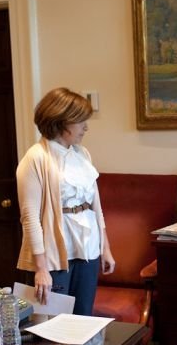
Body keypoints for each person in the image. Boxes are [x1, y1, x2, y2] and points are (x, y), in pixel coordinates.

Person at [16, 87, 116, 315]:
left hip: (88, 246)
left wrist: (105, 247)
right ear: (62, 121)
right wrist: (40, 268)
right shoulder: (36, 158)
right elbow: (30, 217)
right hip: (55, 253)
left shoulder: (82, 154)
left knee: (84, 317)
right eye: (81, 121)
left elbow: (95, 206)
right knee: (54, 321)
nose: (86, 127)